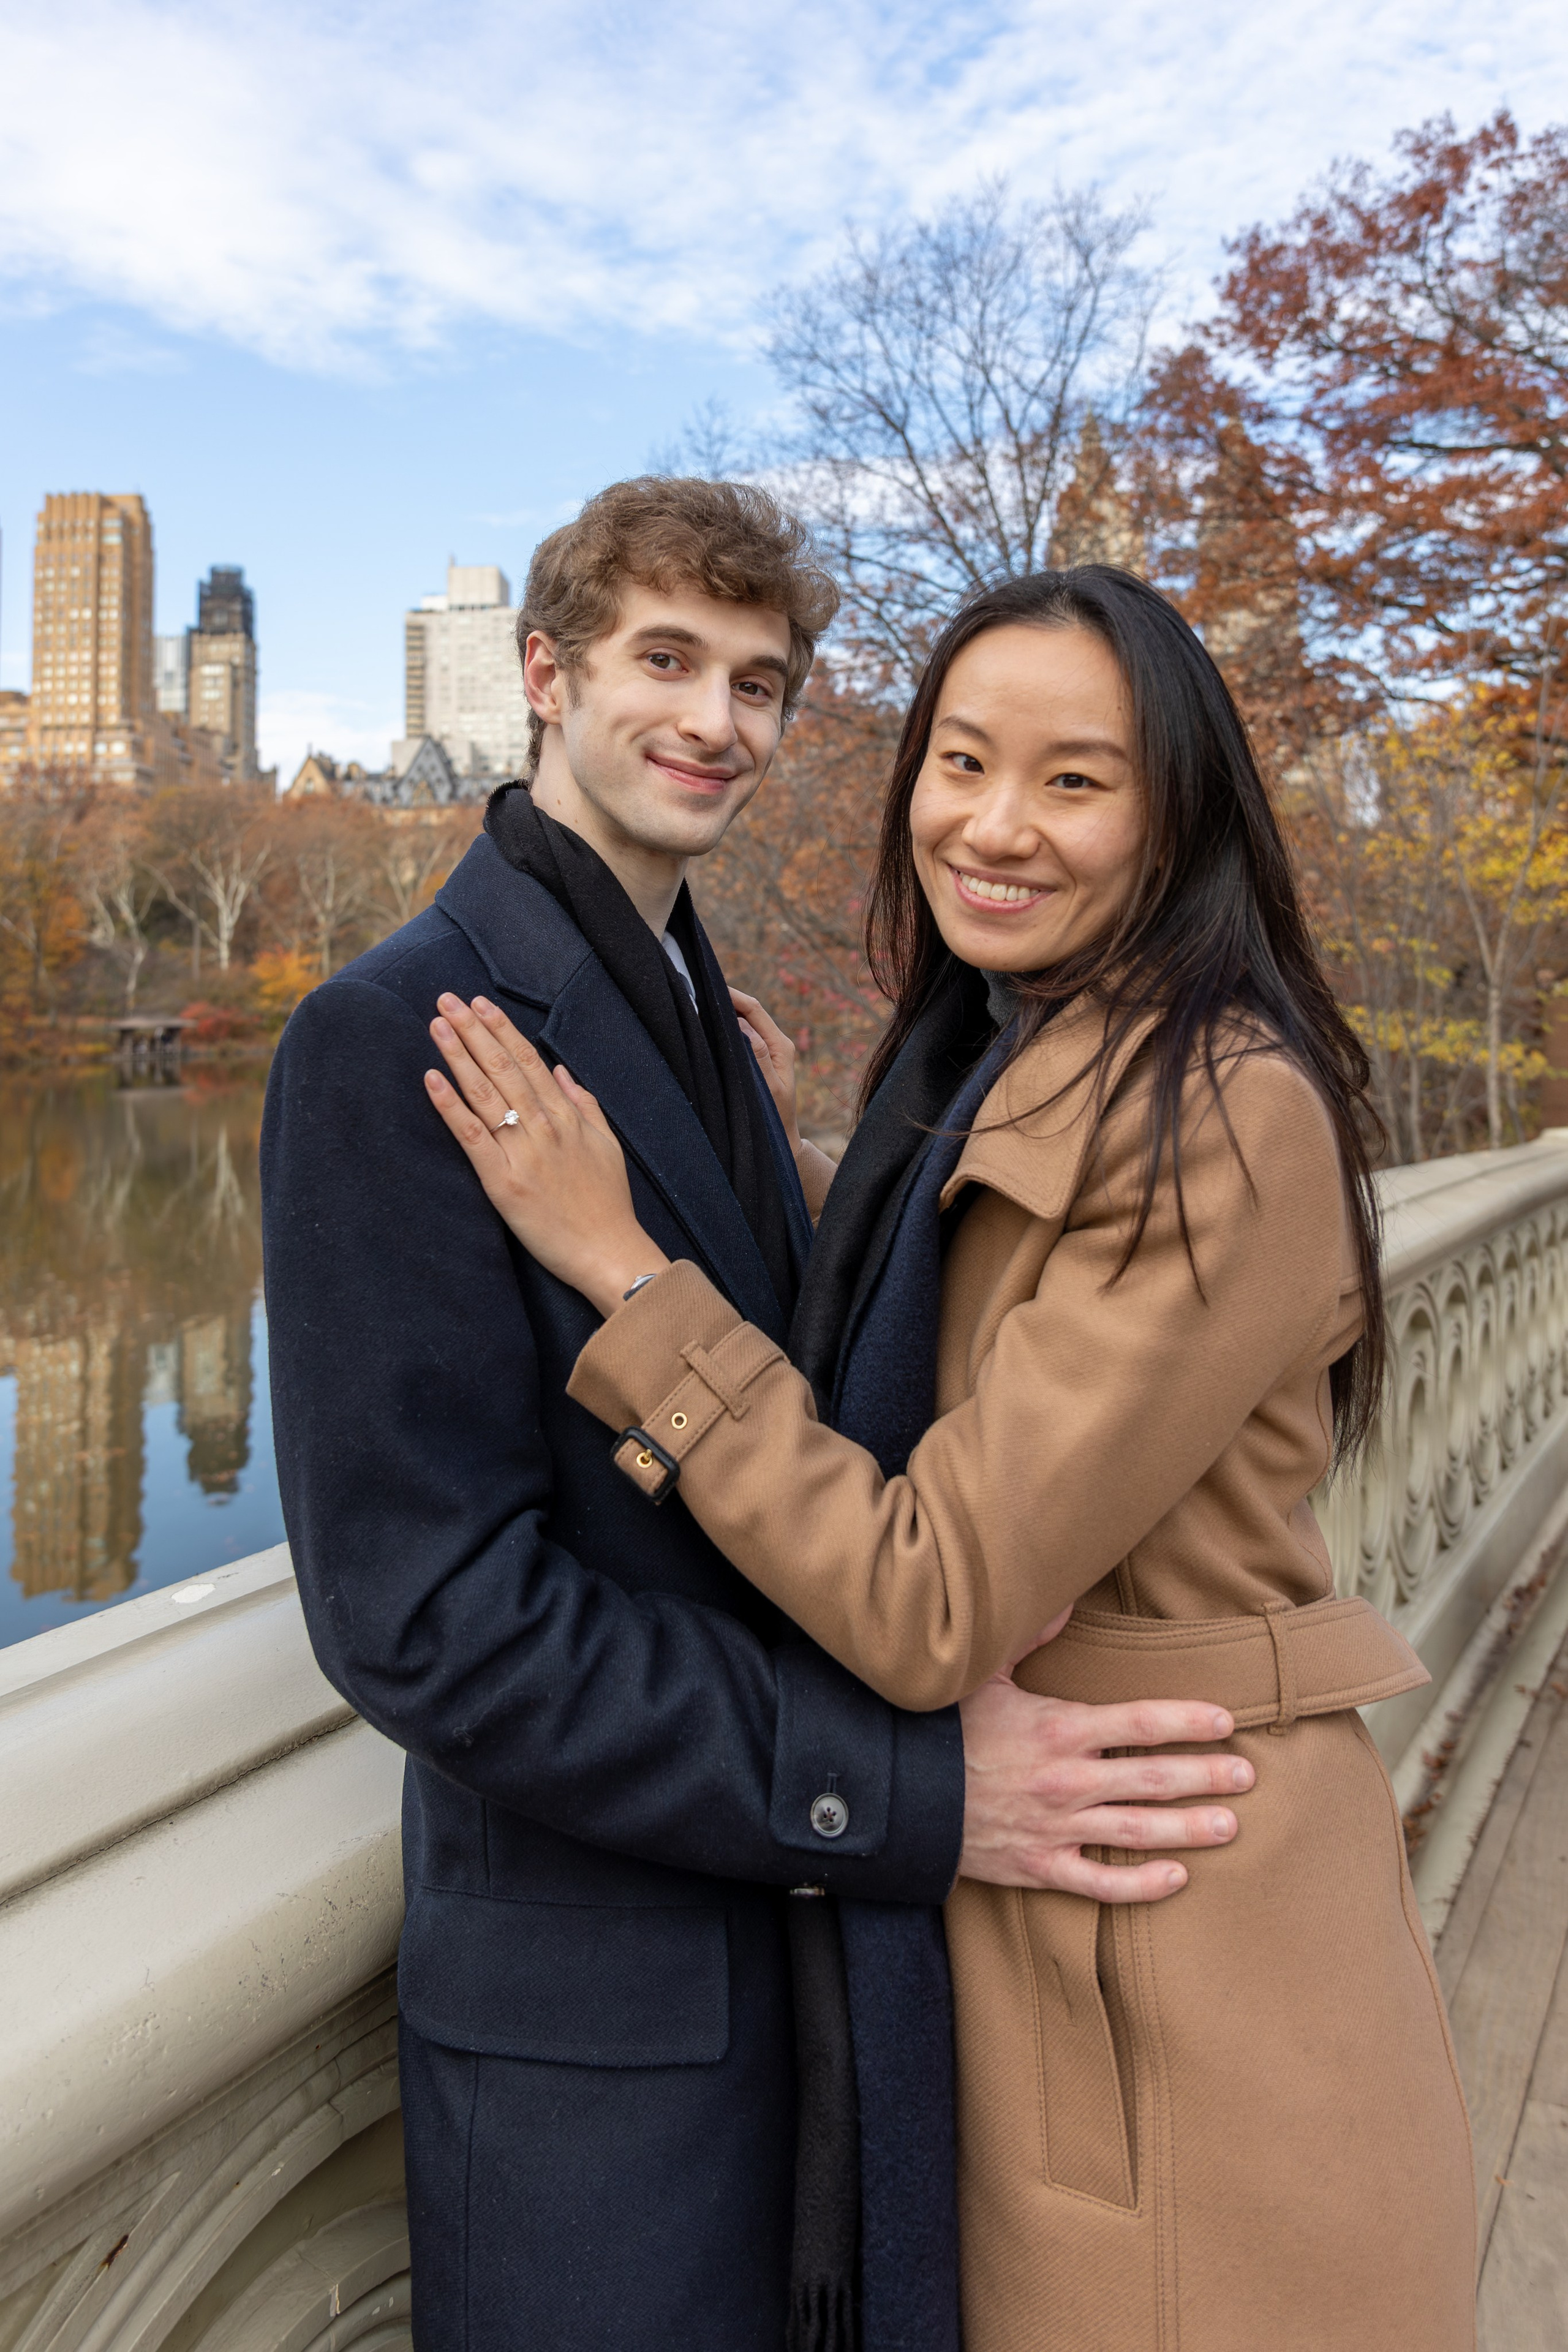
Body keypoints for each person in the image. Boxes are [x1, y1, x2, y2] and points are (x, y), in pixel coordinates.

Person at [423, 564, 1479, 2352]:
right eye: (963, 761)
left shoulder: (1218, 1104)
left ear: (1178, 814)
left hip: (1167, 1955)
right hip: (1065, 1922)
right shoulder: (1020, 1057)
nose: (995, 827)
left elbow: (928, 1599)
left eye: (1075, 781)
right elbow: (1002, 1320)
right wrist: (813, 1186)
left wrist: (627, 1265)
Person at [261, 491, 1250, 2352]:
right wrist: (906, 1796)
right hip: (600, 2066)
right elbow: (427, 1619)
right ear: (542, 675)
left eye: (762, 682)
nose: (718, 719)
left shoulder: (702, 1024)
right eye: (664, 660)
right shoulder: (394, 1040)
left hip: (812, 2010)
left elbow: (779, 1427)